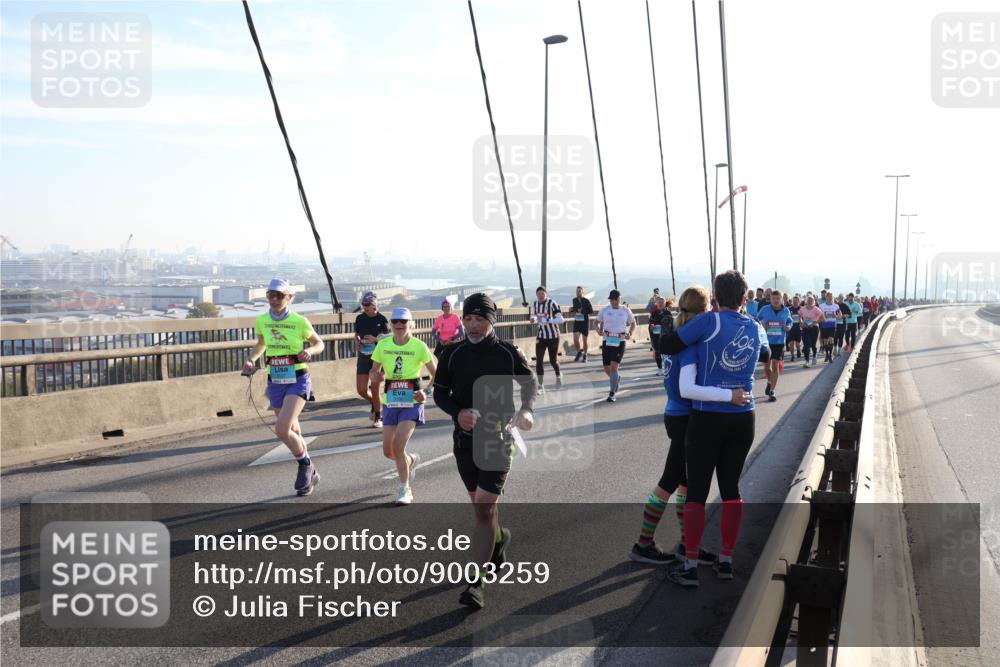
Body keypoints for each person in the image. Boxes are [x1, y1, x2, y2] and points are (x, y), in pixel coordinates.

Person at [659, 270, 770, 586]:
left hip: (707, 418)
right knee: (732, 489)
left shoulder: (708, 322)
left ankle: (691, 565)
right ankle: (725, 561)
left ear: (716, 298)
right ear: (747, 299)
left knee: (696, 491)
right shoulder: (755, 325)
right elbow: (768, 354)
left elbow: (670, 344)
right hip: (743, 417)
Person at [433, 294, 537, 610]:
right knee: (483, 512)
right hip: (465, 441)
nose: (474, 325)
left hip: (498, 438)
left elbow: (529, 381)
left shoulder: (507, 353)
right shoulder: (452, 354)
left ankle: (475, 583)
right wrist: (458, 412)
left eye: (480, 319)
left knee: (483, 506)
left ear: (492, 321)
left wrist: (527, 410)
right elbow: (440, 393)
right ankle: (499, 539)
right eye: (469, 319)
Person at [630, 286, 717, 566]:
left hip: (673, 412)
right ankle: (644, 544)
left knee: (685, 484)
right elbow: (690, 385)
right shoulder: (690, 344)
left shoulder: (673, 338)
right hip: (686, 417)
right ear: (704, 312)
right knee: (670, 481)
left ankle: (686, 543)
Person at [244, 279, 325, 496]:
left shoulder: (300, 321)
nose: (274, 299)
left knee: (281, 429)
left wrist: (310, 352)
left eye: (279, 295)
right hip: (275, 379)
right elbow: (261, 344)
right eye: (270, 294)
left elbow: (320, 343)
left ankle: (305, 465)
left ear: (290, 297)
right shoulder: (262, 320)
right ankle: (311, 474)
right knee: (293, 430)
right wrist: (251, 359)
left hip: (298, 378)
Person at [370, 307, 437, 505]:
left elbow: (436, 373)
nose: (399, 325)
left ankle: (404, 489)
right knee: (389, 452)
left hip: (412, 402)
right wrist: (377, 376)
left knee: (398, 445)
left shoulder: (419, 346)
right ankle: (410, 461)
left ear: (410, 323)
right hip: (390, 402)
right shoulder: (382, 345)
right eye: (395, 322)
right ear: (391, 324)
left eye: (403, 322)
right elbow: (374, 372)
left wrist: (426, 392)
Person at [355, 291, 391, 428]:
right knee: (361, 390)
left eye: (367, 304)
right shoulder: (359, 318)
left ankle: (378, 415)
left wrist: (375, 339)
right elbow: (357, 334)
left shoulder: (382, 319)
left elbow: (388, 338)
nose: (364, 307)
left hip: (377, 357)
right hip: (364, 355)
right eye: (363, 304)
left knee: (375, 388)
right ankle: (375, 403)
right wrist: (357, 342)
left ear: (374, 305)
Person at [596, 289, 637, 402]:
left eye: (615, 300)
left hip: (620, 341)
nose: (613, 302)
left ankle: (612, 393)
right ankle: (616, 379)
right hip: (607, 341)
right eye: (611, 300)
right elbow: (597, 321)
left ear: (619, 299)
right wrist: (598, 330)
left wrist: (630, 333)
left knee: (614, 367)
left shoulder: (625, 310)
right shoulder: (605, 310)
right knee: (607, 369)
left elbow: (633, 323)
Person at [756, 290, 792, 402]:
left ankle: (772, 391)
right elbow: (757, 321)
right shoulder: (764, 309)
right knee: (767, 367)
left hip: (779, 342)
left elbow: (790, 322)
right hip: (766, 342)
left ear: (782, 299)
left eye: (778, 298)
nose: (775, 301)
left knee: (775, 365)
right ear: (770, 299)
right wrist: (763, 325)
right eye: (773, 298)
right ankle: (769, 381)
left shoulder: (786, 310)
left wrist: (788, 327)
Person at [530, 286, 565, 394]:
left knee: (552, 360)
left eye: (542, 294)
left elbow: (561, 320)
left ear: (546, 294)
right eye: (538, 294)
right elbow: (534, 316)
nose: (540, 296)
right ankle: (540, 386)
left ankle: (558, 376)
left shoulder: (552, 303)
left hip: (553, 335)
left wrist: (548, 320)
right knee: (539, 361)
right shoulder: (534, 304)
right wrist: (533, 319)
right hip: (541, 335)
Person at [648, 296, 674, 376]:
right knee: (657, 352)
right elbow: (650, 324)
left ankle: (668, 367)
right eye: (659, 302)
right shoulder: (654, 313)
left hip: (666, 336)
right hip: (656, 336)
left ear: (665, 303)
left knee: (667, 353)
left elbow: (672, 325)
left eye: (662, 302)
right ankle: (660, 369)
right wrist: (652, 327)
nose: (660, 304)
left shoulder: (668, 313)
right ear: (656, 303)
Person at [798, 294, 824, 367]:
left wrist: (815, 322)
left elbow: (822, 318)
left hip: (814, 328)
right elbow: (799, 316)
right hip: (805, 328)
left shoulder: (816, 309)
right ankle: (807, 361)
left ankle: (814, 355)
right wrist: (801, 322)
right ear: (806, 301)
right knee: (806, 345)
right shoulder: (803, 308)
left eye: (811, 300)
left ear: (814, 301)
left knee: (813, 345)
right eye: (808, 300)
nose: (810, 301)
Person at [570, 286, 595, 363]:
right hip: (577, 322)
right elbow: (575, 308)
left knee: (585, 341)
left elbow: (591, 311)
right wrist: (572, 310)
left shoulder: (586, 301)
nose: (578, 293)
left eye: (579, 291)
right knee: (575, 339)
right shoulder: (574, 300)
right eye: (577, 291)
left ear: (582, 292)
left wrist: (582, 311)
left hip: (585, 322)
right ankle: (579, 352)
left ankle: (585, 355)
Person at [819, 292, 841, 363]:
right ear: (826, 297)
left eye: (831, 297)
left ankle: (830, 356)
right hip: (824, 325)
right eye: (828, 296)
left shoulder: (836, 306)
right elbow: (818, 314)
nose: (830, 298)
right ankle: (827, 354)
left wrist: (836, 316)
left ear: (832, 297)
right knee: (825, 341)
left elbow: (840, 314)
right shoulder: (821, 306)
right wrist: (822, 317)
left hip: (832, 325)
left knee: (831, 340)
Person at [787, 294, 803, 361]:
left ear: (799, 302)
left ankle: (798, 350)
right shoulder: (789, 309)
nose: (795, 302)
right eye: (794, 301)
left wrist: (801, 318)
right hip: (791, 328)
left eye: (796, 301)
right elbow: (786, 318)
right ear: (792, 301)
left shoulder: (802, 309)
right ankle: (792, 355)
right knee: (791, 343)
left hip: (798, 328)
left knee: (797, 344)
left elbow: (805, 318)